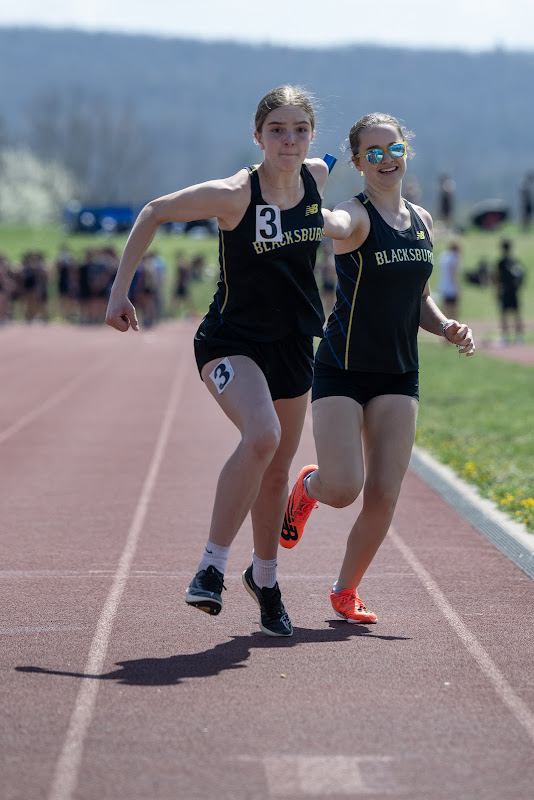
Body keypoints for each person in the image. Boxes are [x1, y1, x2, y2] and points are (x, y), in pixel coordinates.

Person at [105, 85, 330, 637]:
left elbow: (357, 160)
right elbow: (155, 210)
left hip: (296, 342)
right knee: (262, 436)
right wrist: (119, 289)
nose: (289, 139)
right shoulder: (234, 194)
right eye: (277, 129)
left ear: (311, 137)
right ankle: (212, 565)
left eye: (299, 129)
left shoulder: (317, 179)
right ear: (257, 136)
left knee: (277, 470)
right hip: (232, 340)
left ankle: (267, 579)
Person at [280, 112, 476, 624]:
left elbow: (421, 302)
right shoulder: (355, 214)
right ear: (357, 161)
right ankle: (308, 488)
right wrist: (306, 199)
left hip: (398, 374)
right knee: (344, 488)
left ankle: (346, 590)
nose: (386, 160)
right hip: (343, 369)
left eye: (394, 150)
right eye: (374, 153)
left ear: (405, 151)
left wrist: (448, 326)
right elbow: (332, 224)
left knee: (384, 494)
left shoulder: (424, 222)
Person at [494, 239, 525, 344]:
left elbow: (497, 278)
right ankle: (519, 337)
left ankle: (505, 336)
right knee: (516, 313)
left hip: (505, 290)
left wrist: (496, 291)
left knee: (504, 314)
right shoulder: (515, 261)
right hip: (514, 290)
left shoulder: (501, 262)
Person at [437, 240, 461, 319]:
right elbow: (453, 274)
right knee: (453, 309)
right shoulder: (454, 258)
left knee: (445, 308)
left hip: (443, 285)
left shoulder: (443, 256)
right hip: (451, 287)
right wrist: (457, 287)